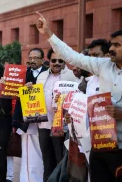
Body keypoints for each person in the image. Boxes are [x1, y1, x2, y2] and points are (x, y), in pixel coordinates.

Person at [36, 12, 122, 182]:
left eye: (117, 45)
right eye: (111, 44)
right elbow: (73, 57)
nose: (111, 49)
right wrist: (48, 34)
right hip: (99, 144)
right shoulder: (103, 65)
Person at [36, 48, 78, 181]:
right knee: (47, 161)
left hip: (62, 126)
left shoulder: (72, 76)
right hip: (43, 124)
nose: (57, 63)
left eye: (61, 61)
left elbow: (78, 98)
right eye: (54, 60)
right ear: (49, 61)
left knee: (61, 161)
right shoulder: (41, 76)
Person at [12, 48, 48, 182]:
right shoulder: (23, 73)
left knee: (43, 151)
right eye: (30, 58)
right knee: (28, 153)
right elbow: (13, 90)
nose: (32, 61)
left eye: (36, 58)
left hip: (43, 119)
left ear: (43, 60)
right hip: (25, 119)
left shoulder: (47, 73)